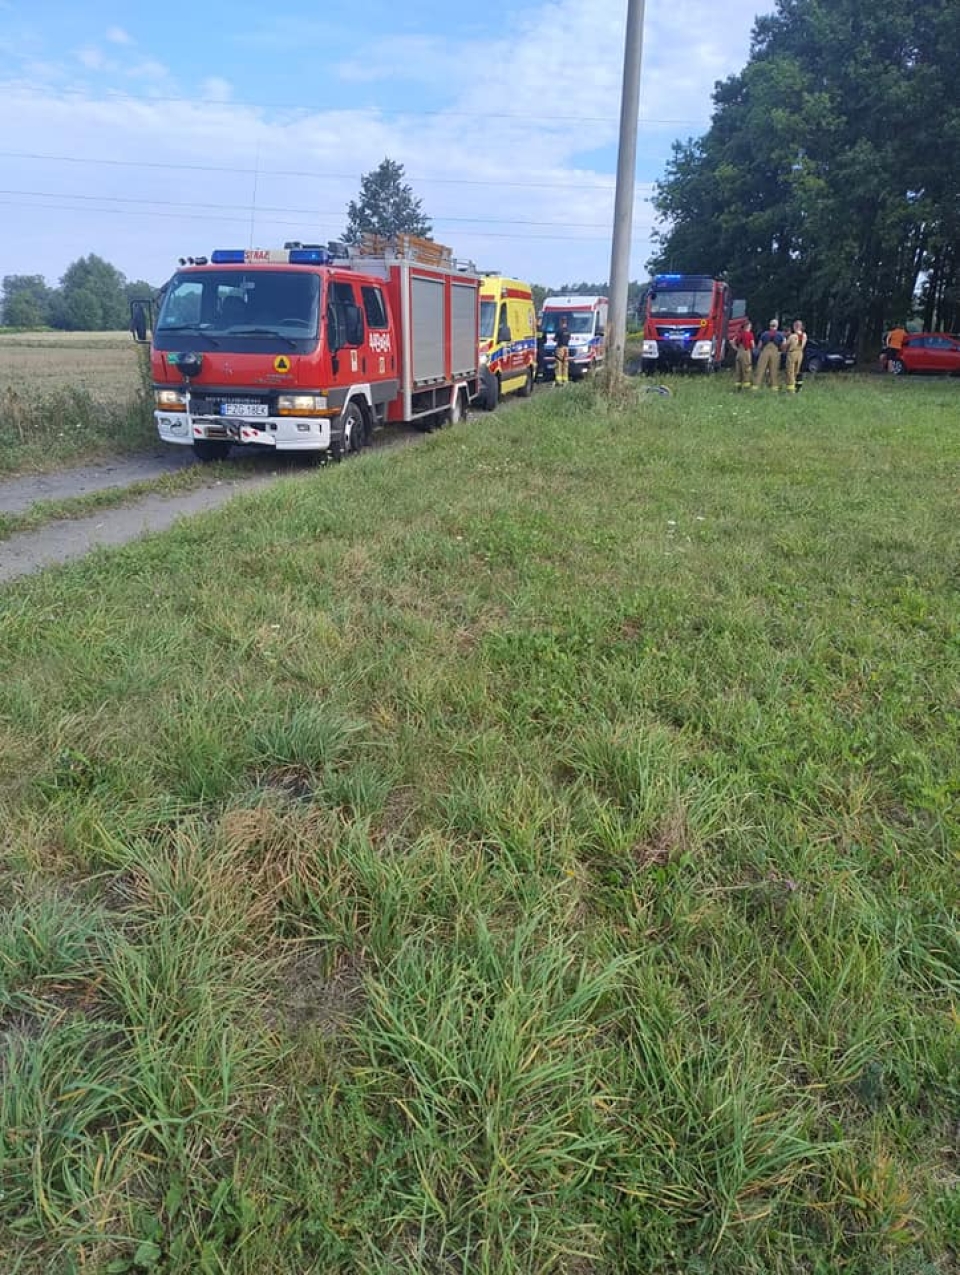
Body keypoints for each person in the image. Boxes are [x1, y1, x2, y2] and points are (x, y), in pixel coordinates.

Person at [752, 318, 784, 390]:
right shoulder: (780, 335)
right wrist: (781, 352)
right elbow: (783, 346)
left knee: (760, 369)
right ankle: (774, 387)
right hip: (775, 353)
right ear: (777, 326)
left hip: (764, 353)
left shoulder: (764, 334)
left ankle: (755, 386)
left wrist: (759, 352)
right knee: (774, 370)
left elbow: (759, 346)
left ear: (769, 326)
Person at [784, 319, 807, 392]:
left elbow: (785, 346)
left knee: (790, 371)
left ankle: (791, 390)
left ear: (795, 326)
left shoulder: (792, 336)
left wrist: (785, 339)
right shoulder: (805, 335)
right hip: (800, 353)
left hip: (792, 353)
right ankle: (798, 388)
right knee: (797, 371)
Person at [733, 320, 754, 390]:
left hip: (739, 353)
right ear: (747, 326)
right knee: (746, 370)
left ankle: (738, 387)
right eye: (750, 326)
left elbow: (732, 342)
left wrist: (737, 349)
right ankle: (746, 387)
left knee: (738, 370)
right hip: (746, 352)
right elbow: (753, 345)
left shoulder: (739, 334)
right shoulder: (750, 334)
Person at [554, 318, 570, 386]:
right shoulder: (568, 331)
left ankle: (559, 381)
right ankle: (565, 380)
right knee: (565, 364)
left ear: (561, 322)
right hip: (566, 348)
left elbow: (555, 339)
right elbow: (569, 338)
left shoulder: (559, 330)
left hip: (560, 348)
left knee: (559, 364)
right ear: (566, 322)